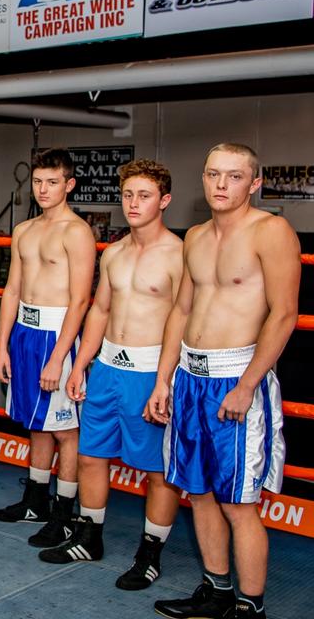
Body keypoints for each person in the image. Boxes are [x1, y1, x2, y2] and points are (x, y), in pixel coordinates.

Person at [148, 144, 296, 619]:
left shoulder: (270, 231)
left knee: (239, 503)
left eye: (234, 177)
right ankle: (216, 590)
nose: (220, 185)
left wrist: (248, 384)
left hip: (237, 376)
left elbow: (285, 313)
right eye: (213, 174)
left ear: (254, 183)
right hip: (190, 376)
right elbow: (183, 311)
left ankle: (250, 607)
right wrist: (163, 379)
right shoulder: (194, 236)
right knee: (201, 492)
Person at [37, 159, 182, 590]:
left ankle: (149, 554)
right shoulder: (115, 251)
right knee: (90, 456)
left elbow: (183, 319)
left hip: (149, 369)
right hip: (106, 368)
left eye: (145, 195)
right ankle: (89, 537)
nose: (134, 203)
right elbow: (100, 309)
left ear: (165, 200)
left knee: (157, 470)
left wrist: (165, 379)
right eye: (128, 195)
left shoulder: (179, 254)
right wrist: (81, 363)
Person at [0, 149, 96, 544]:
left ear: (69, 184)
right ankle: (35, 500)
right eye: (38, 182)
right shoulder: (25, 230)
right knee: (37, 421)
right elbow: (12, 288)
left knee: (66, 429)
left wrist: (58, 357)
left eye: (52, 182)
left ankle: (64, 514)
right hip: (24, 332)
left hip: (57, 336)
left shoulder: (77, 231)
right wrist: (2, 345)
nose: (43, 189)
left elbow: (81, 299)